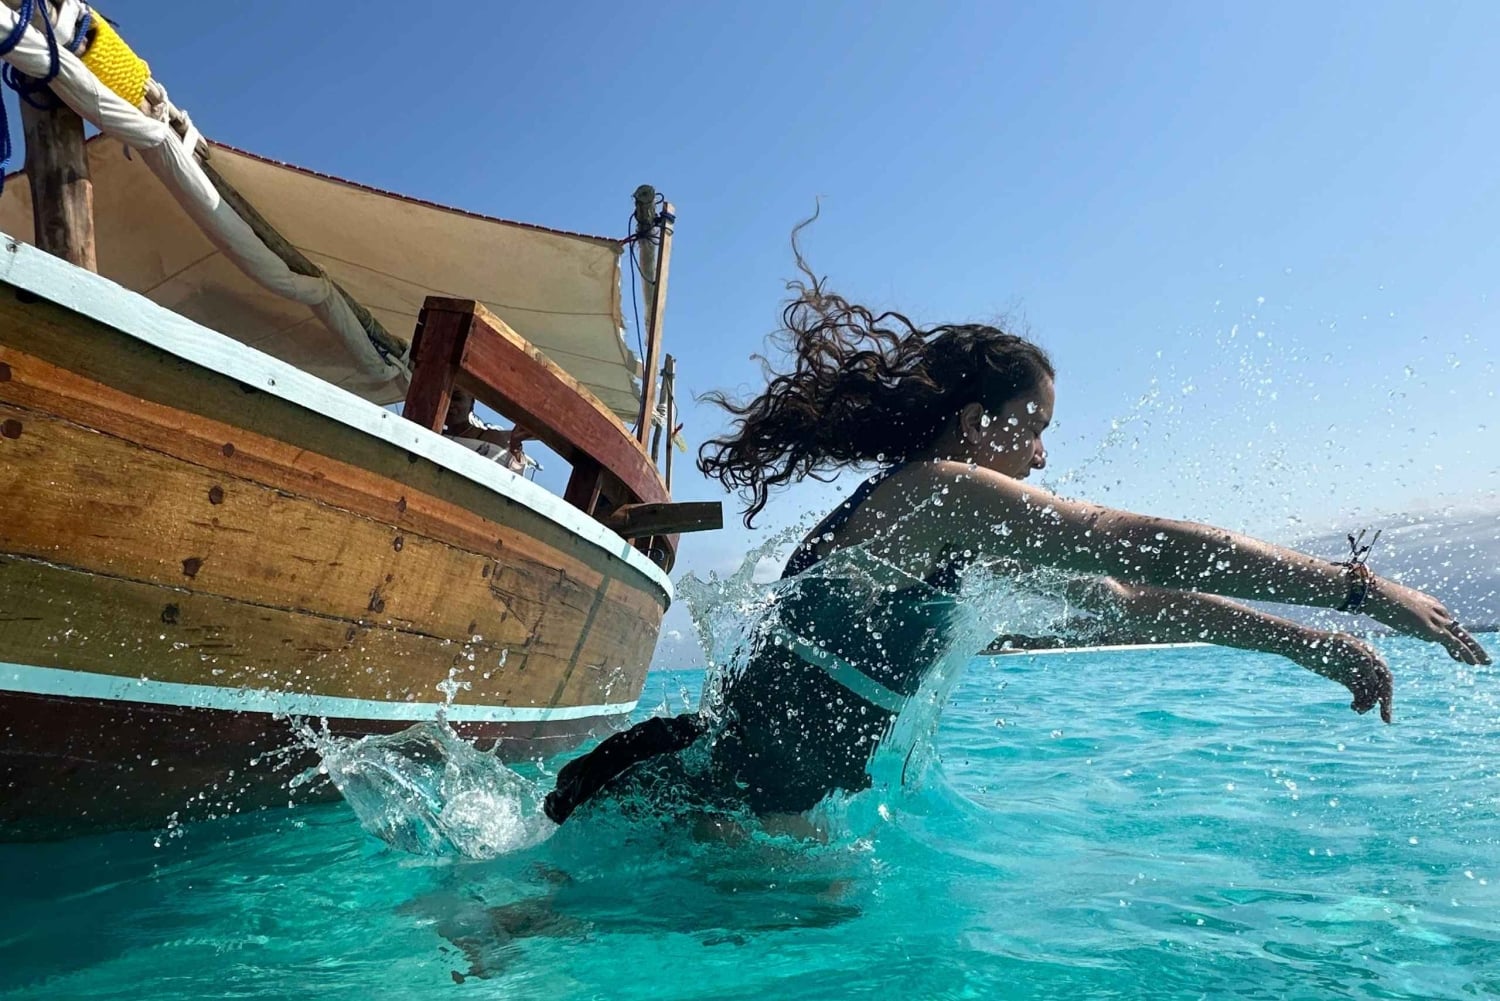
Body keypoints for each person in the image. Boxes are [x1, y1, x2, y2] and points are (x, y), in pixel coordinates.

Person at [542, 264, 1491, 826]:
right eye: (1029, 424)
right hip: (698, 811)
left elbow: (1129, 603)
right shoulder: (933, 496)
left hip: (744, 816)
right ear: (973, 421)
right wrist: (1357, 591)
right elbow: (1142, 543)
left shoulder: (952, 544)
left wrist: (1303, 642)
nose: (1042, 451)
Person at [442, 387, 534, 477]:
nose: (448, 402)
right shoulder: (432, 432)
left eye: (456, 398)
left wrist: (515, 447)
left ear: (471, 404)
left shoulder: (492, 438)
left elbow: (512, 478)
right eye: (444, 395)